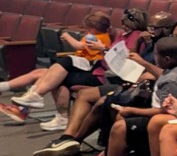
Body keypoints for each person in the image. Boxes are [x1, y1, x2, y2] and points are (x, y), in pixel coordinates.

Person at [77, 37, 177, 156]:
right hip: (166, 112)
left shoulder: (170, 82)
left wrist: (131, 110)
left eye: (156, 55)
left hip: (169, 119)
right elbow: (164, 74)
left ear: (167, 59)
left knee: (120, 127)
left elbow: (167, 111)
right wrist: (144, 64)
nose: (154, 58)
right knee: (121, 115)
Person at [1, 8, 148, 129]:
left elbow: (126, 58)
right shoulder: (123, 34)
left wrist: (103, 49)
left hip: (106, 74)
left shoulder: (135, 36)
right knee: (53, 72)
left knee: (57, 72)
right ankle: (32, 102)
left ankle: (37, 106)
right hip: (98, 67)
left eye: (124, 22)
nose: (122, 25)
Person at [6, 11, 112, 115]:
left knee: (53, 74)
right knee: (46, 73)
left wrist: (66, 35)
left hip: (89, 68)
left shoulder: (94, 37)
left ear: (92, 28)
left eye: (87, 28)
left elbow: (78, 45)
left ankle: (29, 104)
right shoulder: (99, 36)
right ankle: (30, 101)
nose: (85, 31)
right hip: (82, 66)